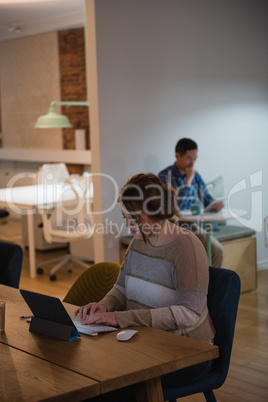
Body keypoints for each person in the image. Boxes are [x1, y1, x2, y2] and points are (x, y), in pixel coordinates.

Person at [76, 173, 215, 402]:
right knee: (89, 375)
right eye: (125, 218)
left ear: (155, 211)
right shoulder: (138, 241)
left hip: (188, 351)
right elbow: (120, 289)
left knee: (108, 387)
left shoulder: (187, 247)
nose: (129, 225)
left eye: (134, 218)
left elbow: (189, 314)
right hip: (144, 342)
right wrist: (103, 307)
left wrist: (122, 318)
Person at [158, 138, 224, 268]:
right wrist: (188, 181)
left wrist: (214, 205)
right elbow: (177, 209)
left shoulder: (195, 175)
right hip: (171, 228)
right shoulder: (165, 176)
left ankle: (210, 287)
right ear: (177, 156)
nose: (192, 163)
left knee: (217, 251)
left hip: (190, 226)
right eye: (189, 158)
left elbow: (206, 199)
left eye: (195, 158)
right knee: (188, 259)